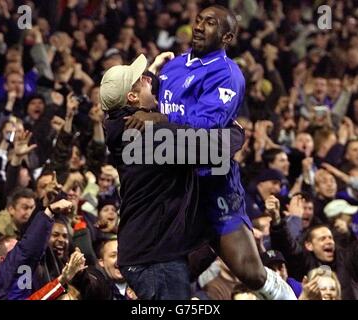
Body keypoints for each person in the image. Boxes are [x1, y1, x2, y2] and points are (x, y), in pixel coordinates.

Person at [127, 5, 296, 299]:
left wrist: (156, 121)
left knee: (249, 271)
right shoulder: (174, 66)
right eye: (198, 20)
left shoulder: (229, 76)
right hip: (175, 186)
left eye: (211, 23)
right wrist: (151, 77)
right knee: (164, 281)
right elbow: (153, 105)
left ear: (227, 36)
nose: (200, 26)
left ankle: (286, 295)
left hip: (212, 182)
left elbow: (202, 133)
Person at [99, 53, 244, 299]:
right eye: (142, 79)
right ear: (132, 97)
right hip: (155, 258)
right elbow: (216, 149)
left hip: (150, 250)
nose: (149, 79)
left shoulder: (120, 124)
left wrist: (153, 73)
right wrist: (237, 131)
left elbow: (140, 103)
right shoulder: (149, 136)